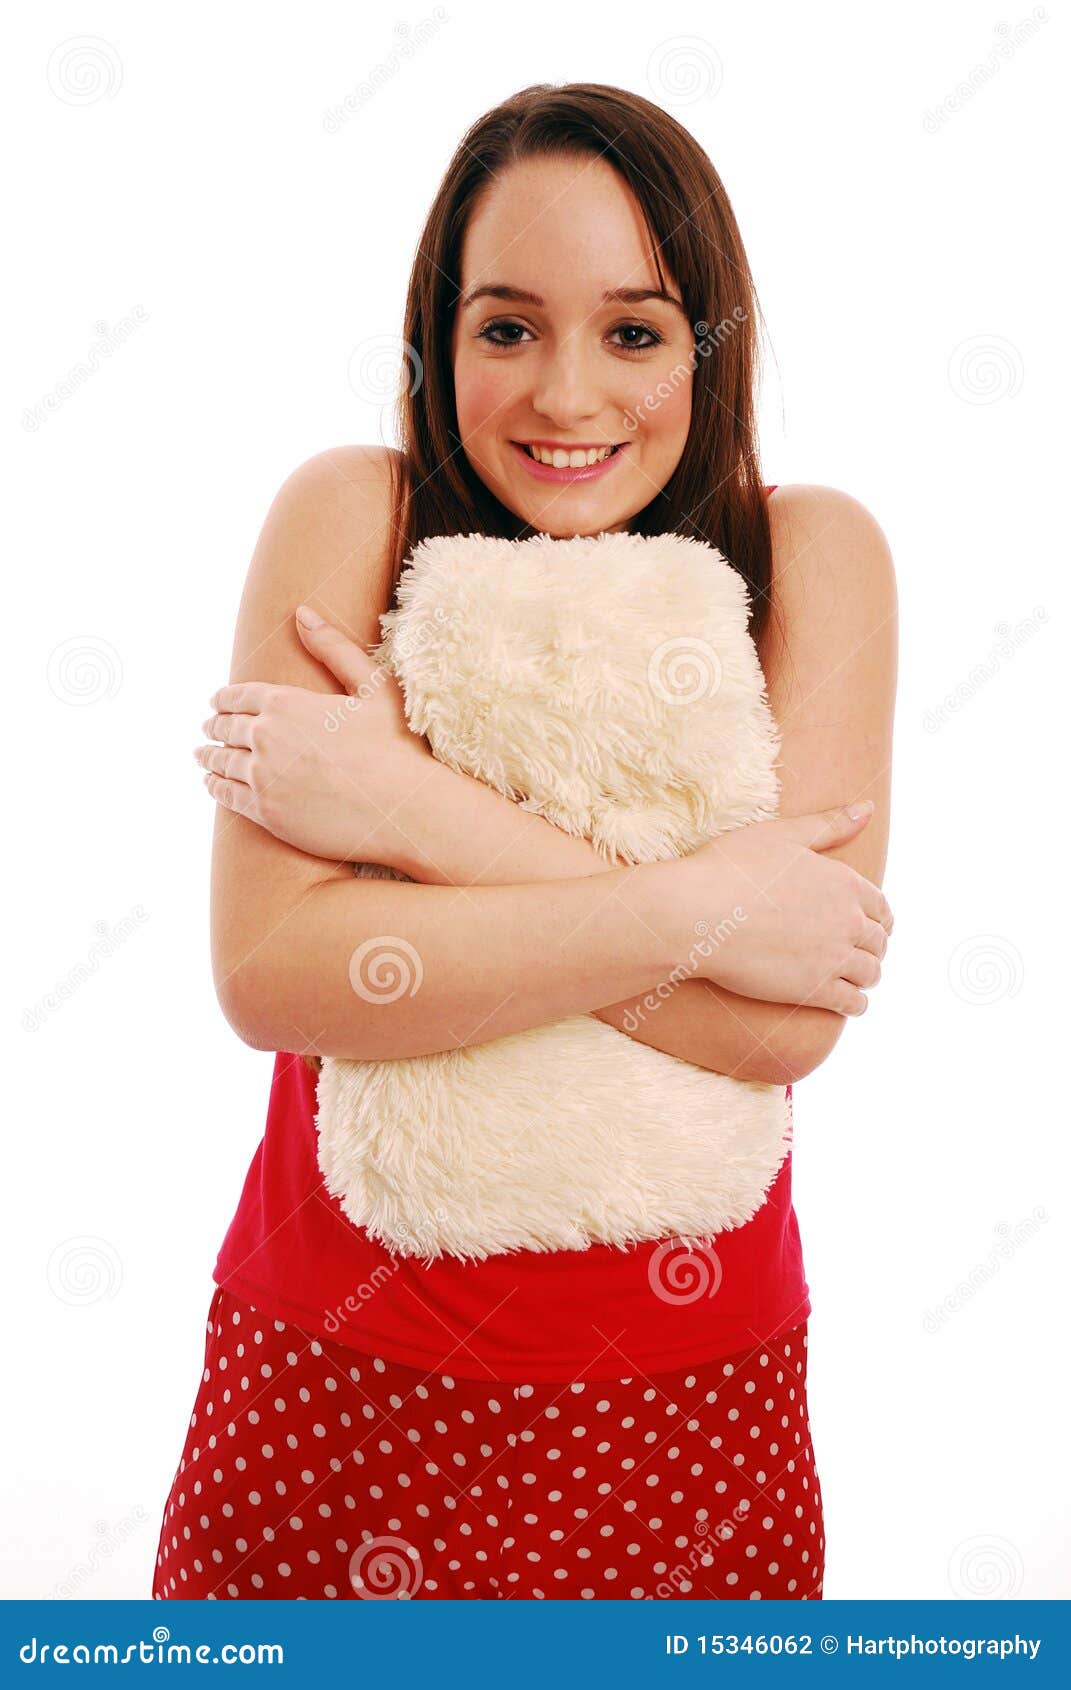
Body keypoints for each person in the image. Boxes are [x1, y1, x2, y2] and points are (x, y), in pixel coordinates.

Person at [155, 82, 897, 1602]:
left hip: (693, 1400)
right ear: (440, 342)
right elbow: (276, 972)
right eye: (507, 328)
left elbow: (777, 1023)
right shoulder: (350, 515)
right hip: (338, 1379)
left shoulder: (812, 556)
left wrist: (411, 815)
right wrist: (706, 911)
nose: (568, 395)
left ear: (711, 346)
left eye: (634, 331)